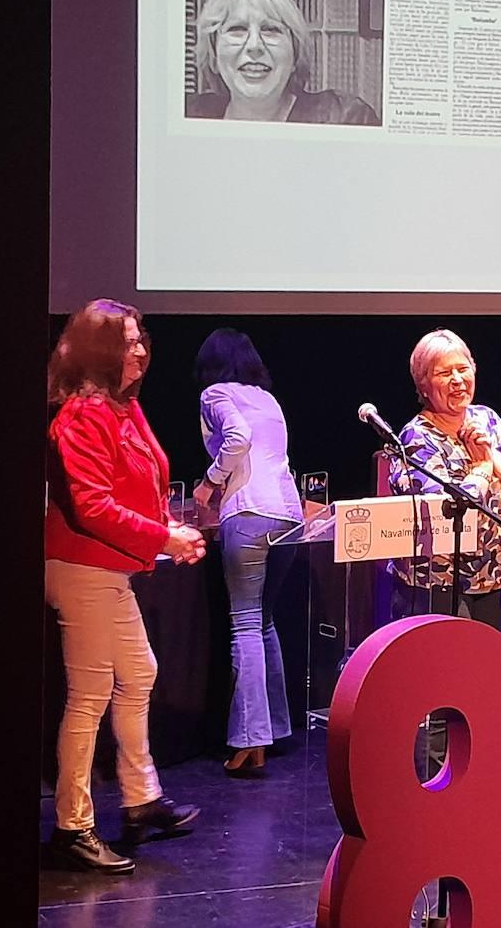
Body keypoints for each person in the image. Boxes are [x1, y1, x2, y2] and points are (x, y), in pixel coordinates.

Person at [44, 300, 205, 874]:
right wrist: (164, 537)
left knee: (138, 675)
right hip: (83, 567)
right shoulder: (81, 415)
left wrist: (166, 531)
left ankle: (140, 801)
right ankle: (73, 828)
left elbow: (143, 482)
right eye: (128, 342)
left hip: (110, 568)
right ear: (99, 350)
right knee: (89, 698)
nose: (140, 350)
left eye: (142, 340)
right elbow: (91, 506)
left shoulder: (121, 407)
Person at [192, 329, 304, 773]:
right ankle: (275, 727)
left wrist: (209, 482)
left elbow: (236, 438)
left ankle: (250, 741)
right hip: (289, 516)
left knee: (245, 625)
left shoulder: (214, 392)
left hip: (250, 513)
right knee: (265, 621)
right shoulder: (267, 398)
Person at [387, 329, 501, 632]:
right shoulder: (415, 438)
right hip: (435, 587)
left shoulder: (488, 421)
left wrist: (492, 456)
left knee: (488, 674)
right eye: (444, 373)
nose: (457, 380)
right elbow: (449, 509)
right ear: (424, 385)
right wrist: (483, 469)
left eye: (463, 368)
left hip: (491, 580)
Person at [186, 0, 379, 125]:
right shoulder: (188, 114)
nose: (255, 45)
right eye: (237, 29)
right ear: (213, 55)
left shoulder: (345, 118)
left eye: (271, 29)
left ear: (295, 54)